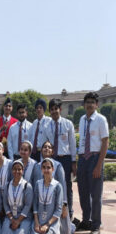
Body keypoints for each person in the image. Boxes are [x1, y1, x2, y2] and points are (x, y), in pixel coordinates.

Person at [76, 92, 109, 234]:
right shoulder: (82, 119)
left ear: (97, 104)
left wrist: (98, 165)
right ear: (84, 104)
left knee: (95, 194)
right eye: (87, 102)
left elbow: (105, 142)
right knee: (82, 192)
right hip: (83, 158)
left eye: (92, 102)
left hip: (95, 158)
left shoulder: (101, 120)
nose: (89, 104)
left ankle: (96, 224)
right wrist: (79, 160)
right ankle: (86, 220)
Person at [43, 98, 76, 218]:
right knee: (52, 185)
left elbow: (72, 144)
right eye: (51, 109)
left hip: (65, 159)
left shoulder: (68, 124)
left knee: (67, 185)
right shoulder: (46, 126)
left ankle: (69, 212)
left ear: (60, 109)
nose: (54, 111)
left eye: (56, 109)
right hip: (53, 159)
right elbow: (45, 144)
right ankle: (54, 211)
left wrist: (73, 161)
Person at [33, 141, 70, 234]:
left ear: (52, 151)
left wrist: (64, 205)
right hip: (41, 205)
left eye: (49, 147)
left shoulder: (58, 165)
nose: (47, 149)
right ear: (41, 150)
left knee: (64, 229)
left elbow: (63, 184)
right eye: (44, 147)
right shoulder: (37, 166)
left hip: (55, 203)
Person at [2, 160, 34, 234]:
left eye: (19, 169)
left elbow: (28, 205)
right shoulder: (7, 185)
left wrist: (18, 220)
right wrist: (11, 218)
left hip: (24, 218)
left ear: (22, 171)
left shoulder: (27, 186)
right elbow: (5, 204)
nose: (17, 171)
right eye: (14, 169)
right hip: (10, 217)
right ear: (12, 170)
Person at [32, 158, 63, 234]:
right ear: (41, 169)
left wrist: (47, 224)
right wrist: (36, 222)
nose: (46, 170)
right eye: (44, 167)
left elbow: (59, 209)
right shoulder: (38, 184)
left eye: (48, 167)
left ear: (53, 169)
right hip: (38, 220)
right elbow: (35, 204)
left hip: (52, 222)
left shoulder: (57, 186)